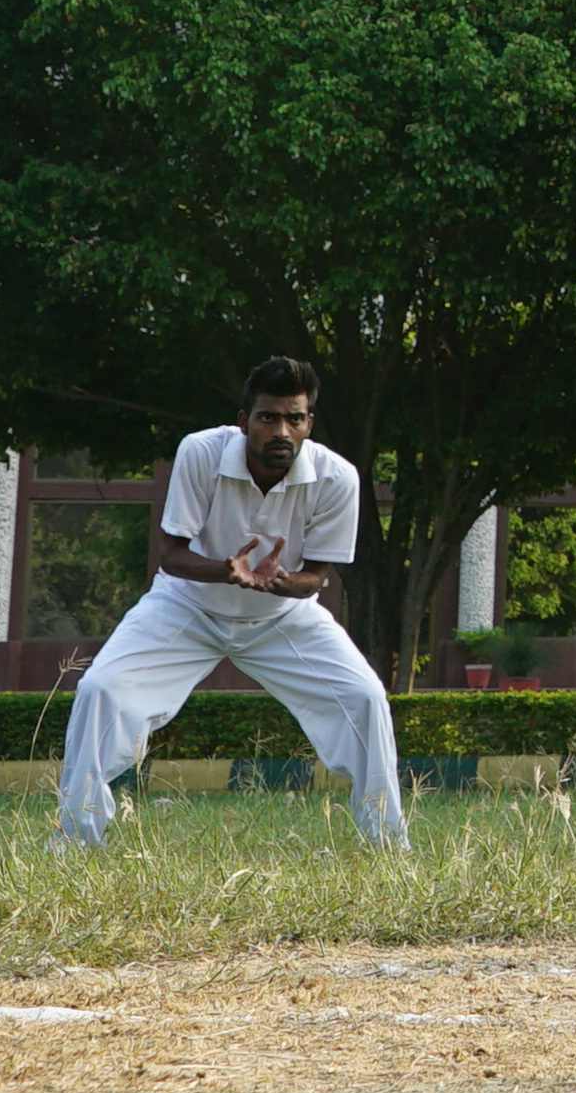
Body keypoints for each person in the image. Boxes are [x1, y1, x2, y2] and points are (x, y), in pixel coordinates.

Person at [57, 357, 406, 850]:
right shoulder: (201, 452)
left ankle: (387, 846)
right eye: (268, 418)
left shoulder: (337, 478)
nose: (281, 431)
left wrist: (281, 581)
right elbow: (171, 555)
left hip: (281, 617)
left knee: (366, 699)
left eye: (294, 418)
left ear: (309, 423)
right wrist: (227, 570)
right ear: (244, 421)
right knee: (100, 690)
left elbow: (317, 577)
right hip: (187, 607)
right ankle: (75, 842)